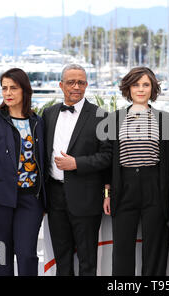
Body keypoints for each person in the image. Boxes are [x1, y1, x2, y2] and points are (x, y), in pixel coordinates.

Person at [0, 68, 46, 276]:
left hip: (30, 200)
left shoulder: (37, 122)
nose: (8, 93)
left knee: (27, 255)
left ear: (25, 91)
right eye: (4, 88)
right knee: (1, 257)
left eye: (13, 88)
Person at [42, 64, 111, 276]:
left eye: (81, 82)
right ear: (61, 85)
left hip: (86, 197)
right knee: (61, 259)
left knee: (87, 260)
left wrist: (76, 164)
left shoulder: (101, 115)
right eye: (71, 82)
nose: (76, 87)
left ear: (87, 85)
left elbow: (108, 156)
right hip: (55, 197)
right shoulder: (48, 114)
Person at [102, 66, 169, 276]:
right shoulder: (114, 119)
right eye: (136, 85)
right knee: (122, 249)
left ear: (152, 89)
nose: (141, 89)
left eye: (146, 85)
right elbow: (108, 159)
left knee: (155, 249)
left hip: (155, 186)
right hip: (123, 186)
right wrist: (107, 193)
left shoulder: (165, 120)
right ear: (128, 88)